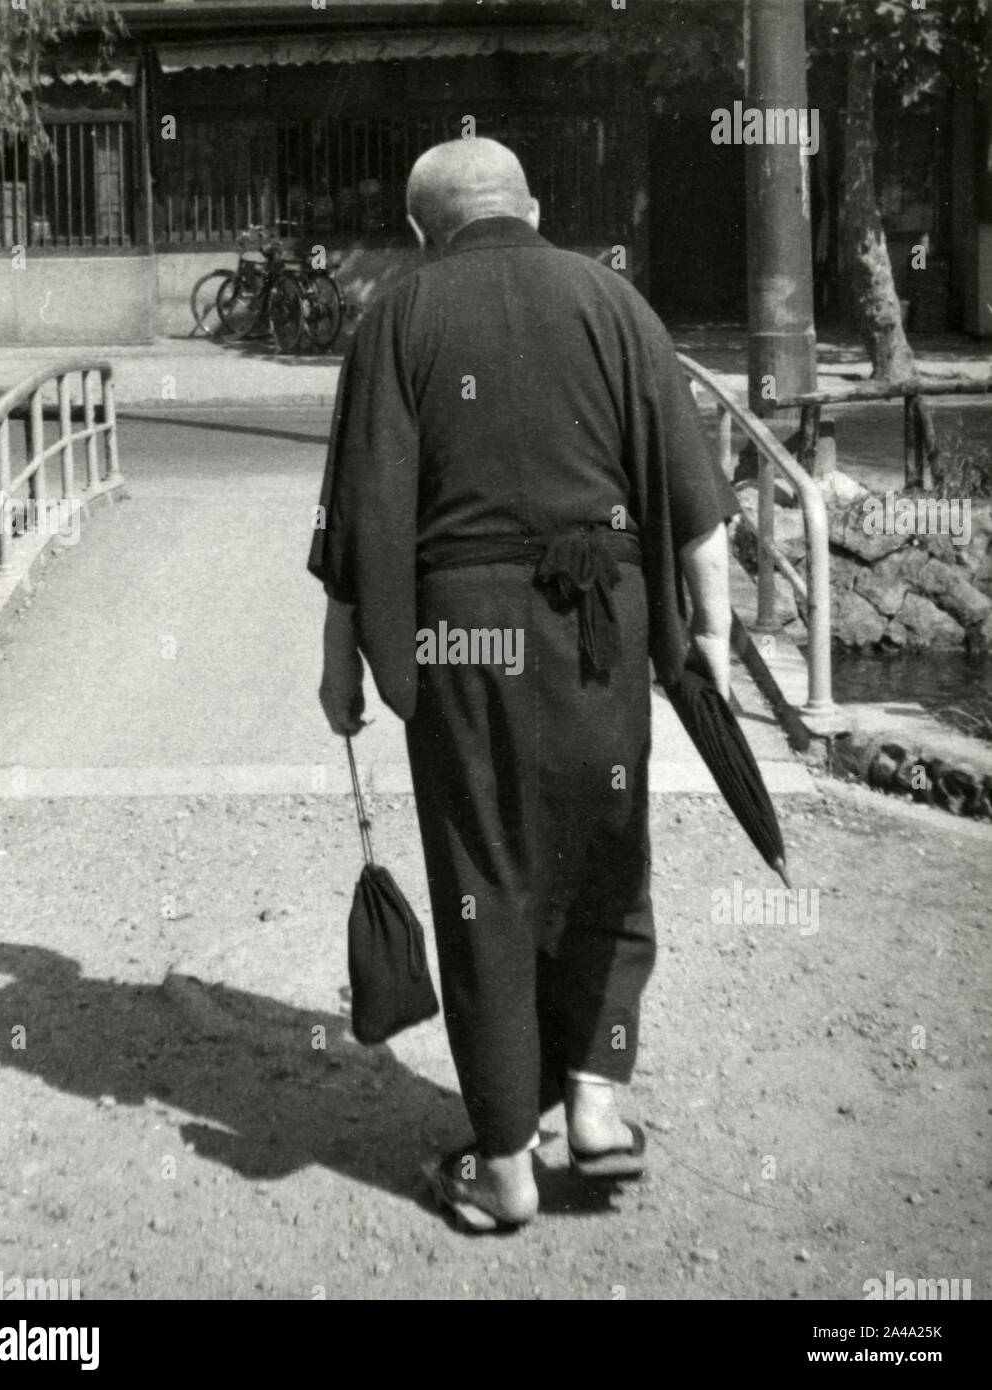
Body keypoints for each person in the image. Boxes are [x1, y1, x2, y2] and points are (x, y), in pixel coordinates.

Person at [308, 137, 737, 1232]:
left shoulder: (397, 320)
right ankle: (596, 1096)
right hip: (603, 620)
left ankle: (504, 1161)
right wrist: (710, 647)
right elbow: (696, 507)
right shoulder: (612, 301)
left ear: (419, 230)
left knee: (484, 880)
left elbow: (361, 518)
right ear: (534, 206)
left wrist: (342, 662)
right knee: (607, 850)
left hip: (463, 639)